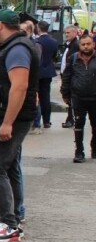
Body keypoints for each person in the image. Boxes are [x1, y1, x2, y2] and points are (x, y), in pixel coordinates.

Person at [0, 9, 39, 242]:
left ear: (0, 25)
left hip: (11, 119)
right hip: (7, 116)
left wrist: (7, 122)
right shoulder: (13, 47)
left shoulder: (17, 49)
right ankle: (13, 217)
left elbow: (20, 86)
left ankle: (10, 225)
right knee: (10, 166)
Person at [61, 34, 96, 163]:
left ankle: (94, 148)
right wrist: (65, 94)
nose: (86, 47)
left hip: (94, 98)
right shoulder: (74, 58)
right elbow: (66, 77)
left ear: (93, 44)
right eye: (83, 44)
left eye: (88, 44)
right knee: (78, 125)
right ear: (80, 45)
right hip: (78, 97)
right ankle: (79, 152)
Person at [34, 20, 58, 128]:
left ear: (39, 28)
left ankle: (36, 119)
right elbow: (54, 55)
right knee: (46, 96)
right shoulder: (53, 41)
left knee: (36, 96)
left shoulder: (36, 41)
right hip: (48, 72)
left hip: (37, 72)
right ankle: (47, 120)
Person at [60, 26, 80, 128]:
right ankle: (71, 119)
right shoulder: (69, 45)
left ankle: (71, 119)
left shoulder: (76, 45)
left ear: (75, 33)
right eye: (65, 33)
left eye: (68, 32)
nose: (66, 34)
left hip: (71, 76)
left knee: (71, 98)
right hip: (66, 75)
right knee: (69, 98)